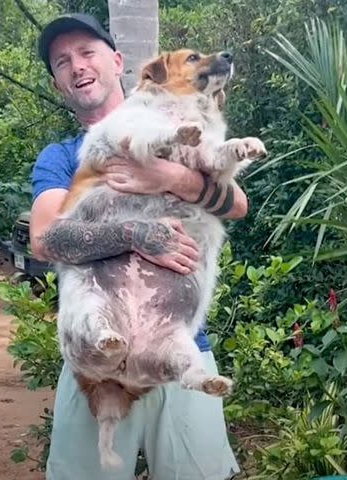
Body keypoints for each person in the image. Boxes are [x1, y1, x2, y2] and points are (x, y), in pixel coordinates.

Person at [29, 13, 244, 480]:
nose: (76, 66)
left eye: (86, 52)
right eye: (62, 62)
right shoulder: (63, 158)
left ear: (118, 62)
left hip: (181, 342)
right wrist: (135, 235)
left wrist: (171, 177)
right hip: (99, 361)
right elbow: (46, 240)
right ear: (58, 83)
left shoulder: (187, 126)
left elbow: (237, 203)